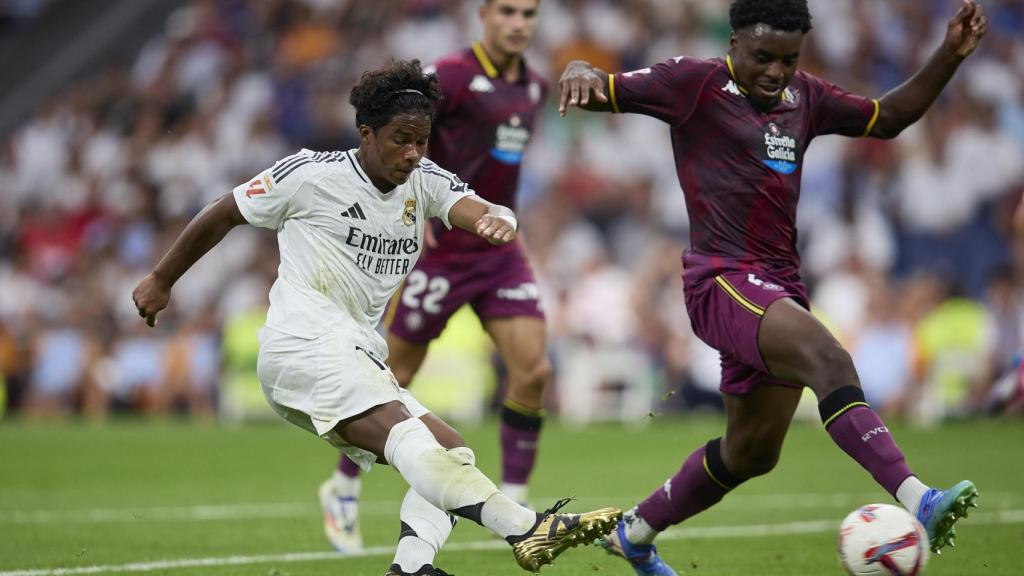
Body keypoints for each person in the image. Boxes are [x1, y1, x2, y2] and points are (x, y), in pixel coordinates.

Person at [132, 59, 620, 576]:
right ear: (366, 133)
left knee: (451, 450)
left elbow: (477, 206)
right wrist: (162, 279)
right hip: (304, 343)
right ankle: (526, 528)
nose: (412, 153)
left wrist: (500, 220)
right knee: (414, 443)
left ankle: (409, 569)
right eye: (399, 139)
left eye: (422, 141)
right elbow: (224, 211)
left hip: (355, 351)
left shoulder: (423, 181)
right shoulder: (310, 175)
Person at [557, 1, 987, 574]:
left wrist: (949, 54)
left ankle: (634, 534)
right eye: (762, 57)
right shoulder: (693, 82)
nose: (775, 72)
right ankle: (918, 498)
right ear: (733, 42)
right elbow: (600, 82)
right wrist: (577, 72)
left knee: (751, 453)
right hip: (720, 279)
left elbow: (887, 117)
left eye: (788, 59)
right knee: (829, 359)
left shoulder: (804, 97)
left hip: (778, 285)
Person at [319, 0, 552, 561]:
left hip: (499, 251)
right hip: (442, 250)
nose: (519, 23)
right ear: (484, 14)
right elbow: (399, 137)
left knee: (534, 371)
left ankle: (515, 506)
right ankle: (342, 488)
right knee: (393, 377)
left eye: (529, 13)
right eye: (508, 11)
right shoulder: (448, 77)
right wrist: (413, 210)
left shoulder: (536, 87)